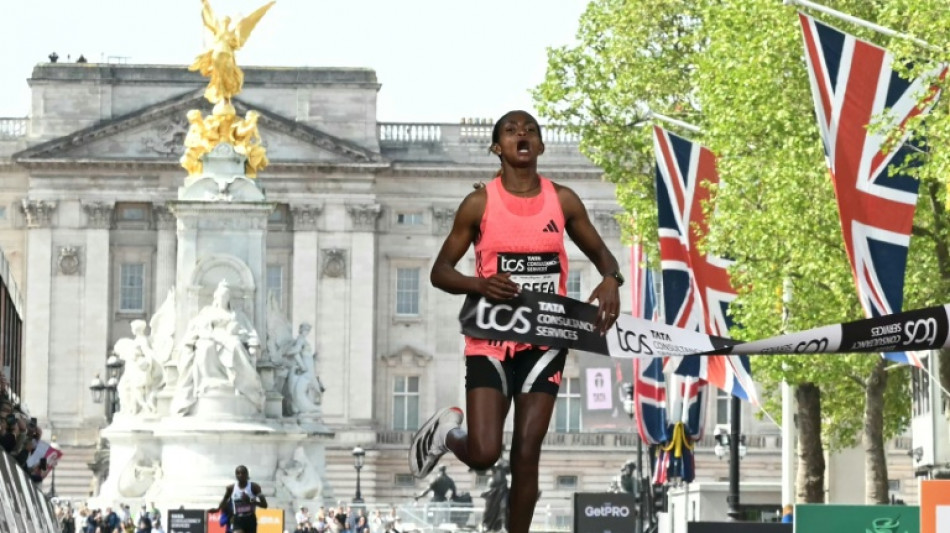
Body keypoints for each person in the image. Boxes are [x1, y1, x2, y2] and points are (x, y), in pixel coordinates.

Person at [411, 110, 622, 533]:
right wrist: (481, 284)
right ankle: (446, 434)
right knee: (486, 452)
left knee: (528, 451)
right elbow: (440, 272)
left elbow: (604, 257)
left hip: (545, 338)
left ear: (540, 146)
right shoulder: (479, 203)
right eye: (510, 130)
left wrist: (611, 280)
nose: (521, 133)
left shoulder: (562, 200)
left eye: (530, 130)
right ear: (498, 148)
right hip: (490, 336)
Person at [172, 280, 265, 416]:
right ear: (216, 297)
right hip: (211, 337)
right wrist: (206, 333)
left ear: (229, 299)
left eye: (226, 296)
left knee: (236, 346)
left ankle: (240, 382)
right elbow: (198, 326)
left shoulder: (236, 314)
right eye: (221, 296)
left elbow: (248, 331)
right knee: (205, 348)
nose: (223, 299)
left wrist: (247, 339)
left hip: (231, 338)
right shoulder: (207, 312)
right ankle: (208, 382)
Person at [209, 465, 268, 533]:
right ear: (235, 475)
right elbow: (224, 500)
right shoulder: (230, 488)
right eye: (238, 473)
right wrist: (217, 509)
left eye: (243, 473)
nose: (240, 475)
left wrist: (250, 501)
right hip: (238, 519)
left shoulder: (255, 487)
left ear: (247, 474)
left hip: (250, 519)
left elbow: (264, 505)